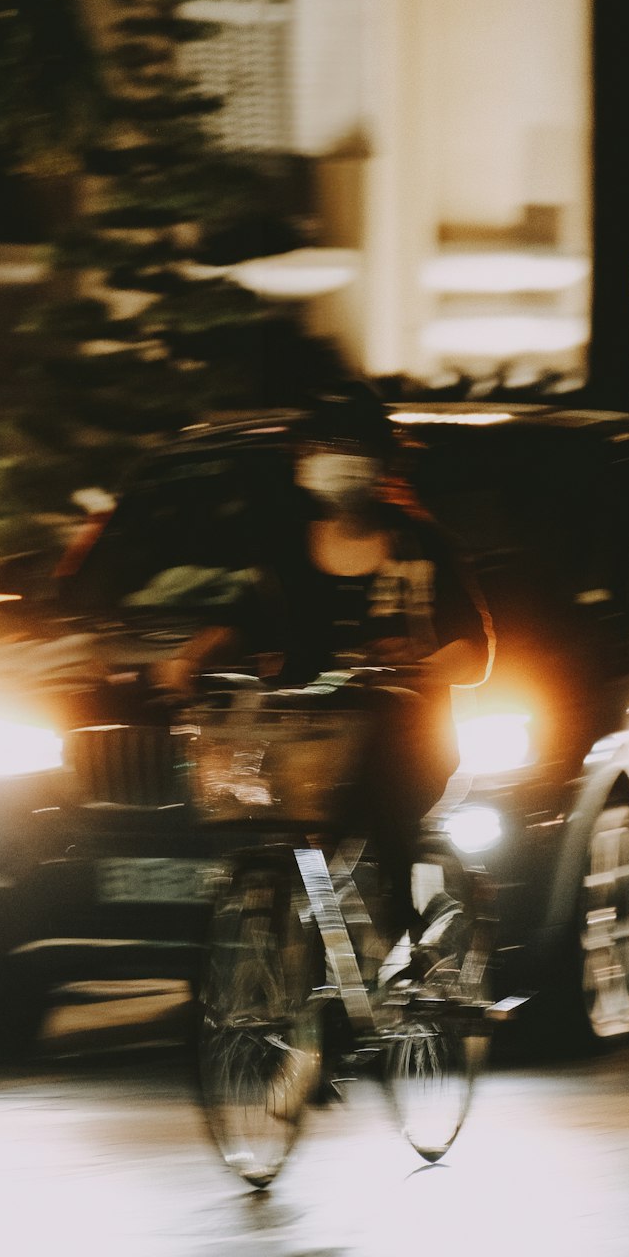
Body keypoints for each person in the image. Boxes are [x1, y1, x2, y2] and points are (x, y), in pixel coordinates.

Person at [154, 380, 493, 945]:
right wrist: (187, 662)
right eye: (325, 444)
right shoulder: (285, 549)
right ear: (302, 460)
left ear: (382, 458)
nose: (340, 459)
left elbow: (474, 651)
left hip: (402, 742)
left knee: (386, 832)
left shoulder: (422, 547)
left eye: (353, 444)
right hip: (301, 746)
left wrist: (423, 666)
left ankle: (408, 956)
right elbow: (240, 621)